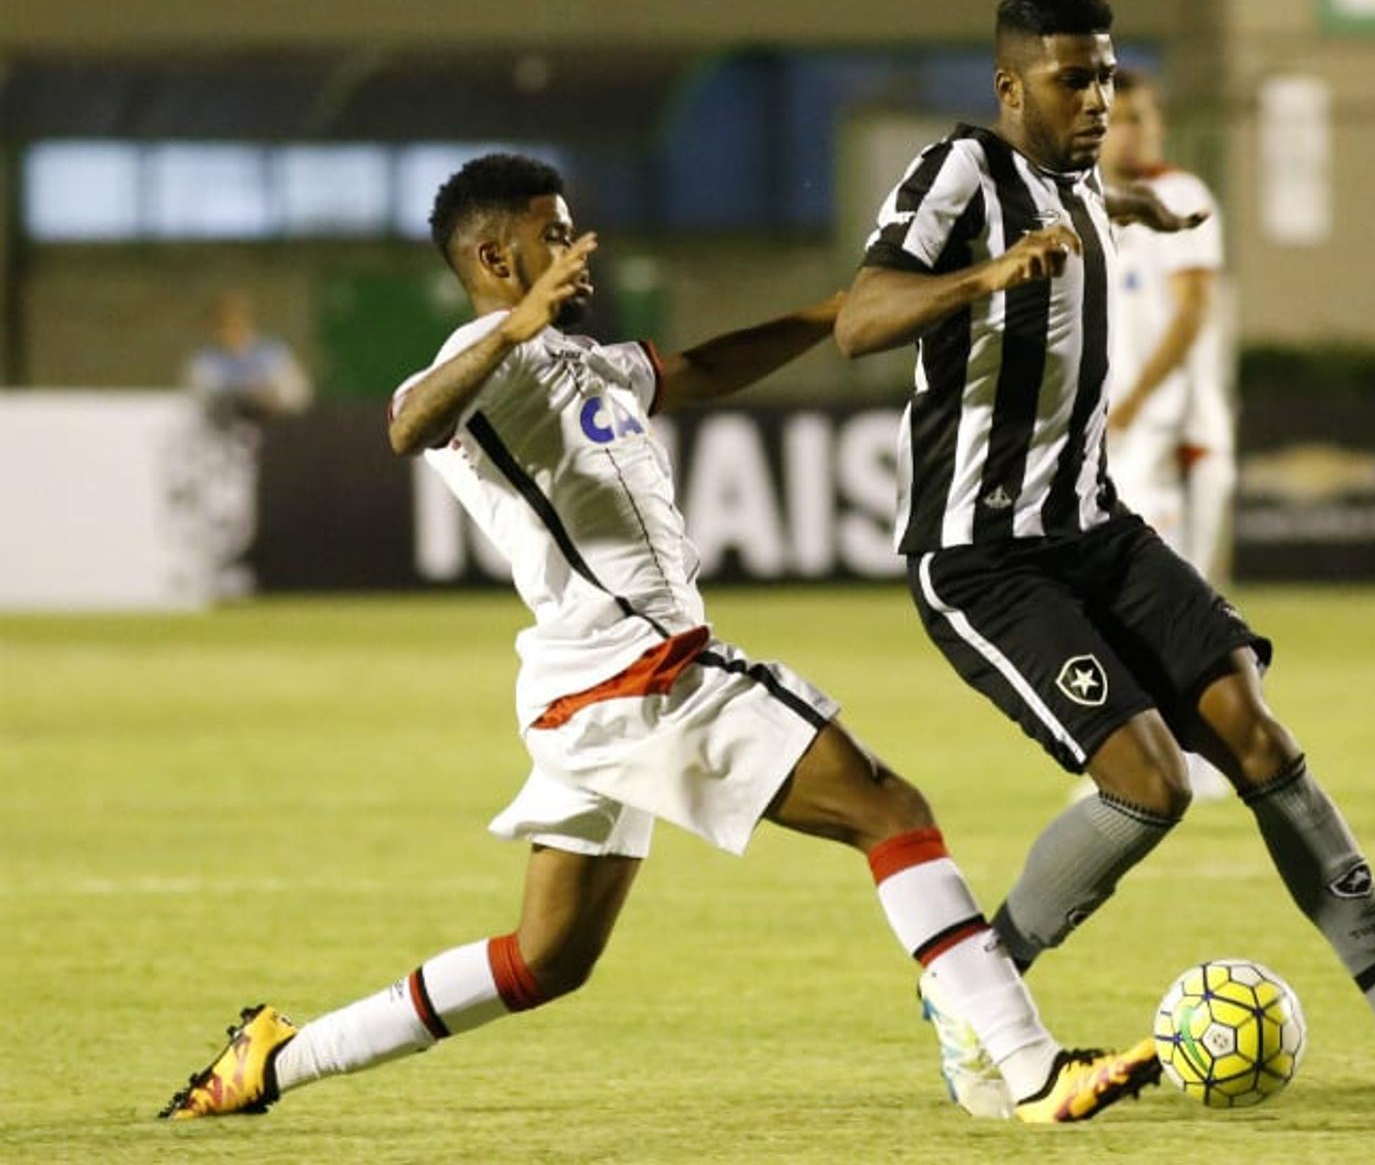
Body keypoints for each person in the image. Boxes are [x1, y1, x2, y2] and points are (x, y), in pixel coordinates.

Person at [160, 153, 1159, 1126]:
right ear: (496, 257)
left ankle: (277, 1057)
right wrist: (515, 325)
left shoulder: (579, 360)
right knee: (888, 807)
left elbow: (698, 367)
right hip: (643, 674)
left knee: (545, 960)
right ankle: (1029, 1068)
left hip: (591, 688)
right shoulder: (480, 371)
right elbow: (410, 425)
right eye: (553, 236)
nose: (576, 253)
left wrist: (837, 310)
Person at [836, 0, 1375, 1118]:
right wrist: (986, 275)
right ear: (1011, 83)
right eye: (1076, 77)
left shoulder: (1077, 178)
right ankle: (982, 987)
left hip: (1097, 526)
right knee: (1150, 783)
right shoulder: (958, 172)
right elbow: (857, 319)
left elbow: (1077, 212)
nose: (1101, 95)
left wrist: (1133, 214)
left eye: (1108, 73)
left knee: (1254, 733)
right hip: (984, 555)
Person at [1099, 66, 1237, 802]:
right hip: (1121, 434)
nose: (1140, 130)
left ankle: (1185, 754)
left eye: (1148, 117)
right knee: (1148, 601)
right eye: (1126, 117)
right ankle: (1170, 753)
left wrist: (1134, 402)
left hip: (1172, 431)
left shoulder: (1178, 195)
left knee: (1173, 598)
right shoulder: (1085, 199)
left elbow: (1191, 314)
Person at [183, 289, 313, 422]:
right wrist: (246, 396)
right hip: (225, 431)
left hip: (273, 426)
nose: (232, 328)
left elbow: (297, 394)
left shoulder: (272, 352)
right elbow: (203, 399)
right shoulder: (203, 361)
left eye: (238, 321)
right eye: (224, 323)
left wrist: (272, 396)